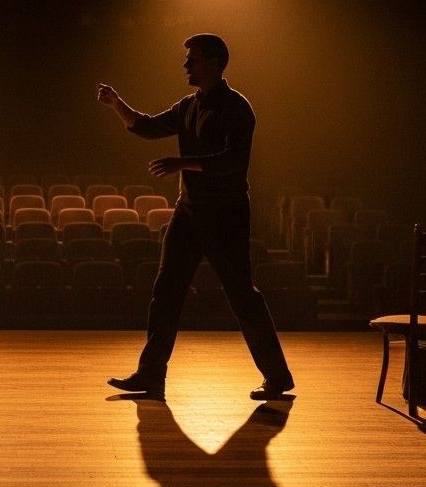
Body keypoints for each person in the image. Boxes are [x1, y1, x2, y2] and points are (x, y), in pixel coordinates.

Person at [97, 33, 293, 401]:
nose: (186, 65)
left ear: (215, 64)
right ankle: (150, 375)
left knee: (242, 295)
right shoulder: (188, 106)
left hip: (226, 215)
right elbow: (148, 126)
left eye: (194, 59)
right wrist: (116, 104)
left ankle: (278, 377)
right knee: (166, 292)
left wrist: (181, 163)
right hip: (188, 211)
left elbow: (233, 161)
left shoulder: (238, 108)